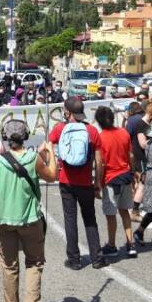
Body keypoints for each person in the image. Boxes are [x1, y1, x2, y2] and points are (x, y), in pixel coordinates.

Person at [0, 120, 57, 302]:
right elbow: (52, 176)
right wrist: (50, 153)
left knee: (9, 267)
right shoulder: (33, 158)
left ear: (6, 137)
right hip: (29, 219)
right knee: (34, 263)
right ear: (25, 136)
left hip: (3, 219)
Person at [48, 97, 103, 270]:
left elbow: (47, 147)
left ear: (68, 112)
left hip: (66, 181)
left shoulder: (59, 129)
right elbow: (99, 162)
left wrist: (54, 167)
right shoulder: (92, 131)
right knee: (90, 218)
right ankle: (97, 258)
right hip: (86, 182)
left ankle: (74, 259)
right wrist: (98, 183)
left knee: (70, 219)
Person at [95, 105, 137, 259]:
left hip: (111, 179)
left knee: (110, 214)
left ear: (99, 121)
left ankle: (112, 245)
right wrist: (132, 173)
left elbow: (100, 163)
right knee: (124, 211)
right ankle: (131, 244)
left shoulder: (101, 137)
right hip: (125, 175)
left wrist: (97, 183)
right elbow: (131, 155)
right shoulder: (124, 133)